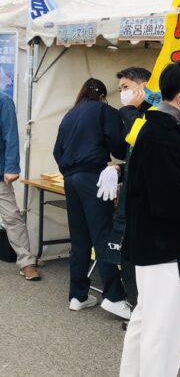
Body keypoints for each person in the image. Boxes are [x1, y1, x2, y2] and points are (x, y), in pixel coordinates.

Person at [119, 60, 180, 377]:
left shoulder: (153, 126)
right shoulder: (164, 134)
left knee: (146, 321)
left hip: (149, 244)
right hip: (165, 247)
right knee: (165, 331)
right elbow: (171, 200)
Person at [53, 78, 129, 317]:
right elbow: (117, 145)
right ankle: (114, 297)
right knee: (103, 236)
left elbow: (58, 151)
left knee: (79, 239)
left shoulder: (69, 114)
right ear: (103, 96)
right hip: (93, 177)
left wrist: (71, 172)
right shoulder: (104, 110)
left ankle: (78, 295)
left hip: (70, 179)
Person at [97, 67, 152, 310]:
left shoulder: (153, 117)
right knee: (127, 256)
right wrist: (118, 169)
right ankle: (134, 304)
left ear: (143, 88)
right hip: (129, 198)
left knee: (140, 259)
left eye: (126, 88)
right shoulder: (129, 117)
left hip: (147, 202)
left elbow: (150, 155)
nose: (122, 94)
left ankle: (142, 308)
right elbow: (134, 156)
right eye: (120, 89)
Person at [0, 90, 40, 280]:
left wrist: (12, 167)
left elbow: (10, 135)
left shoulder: (3, 100)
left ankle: (27, 262)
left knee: (12, 217)